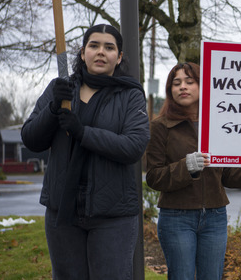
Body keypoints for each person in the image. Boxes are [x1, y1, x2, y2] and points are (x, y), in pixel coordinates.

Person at [21, 24, 150, 280]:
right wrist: (53, 109)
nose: (101, 52)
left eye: (109, 47)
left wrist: (83, 133)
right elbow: (31, 140)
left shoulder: (130, 95)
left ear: (119, 57)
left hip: (113, 215)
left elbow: (133, 147)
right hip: (63, 212)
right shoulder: (60, 89)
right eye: (94, 45)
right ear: (82, 53)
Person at [145, 62, 241, 280]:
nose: (183, 87)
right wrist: (186, 167)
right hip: (176, 217)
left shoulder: (219, 123)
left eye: (190, 82)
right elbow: (154, 177)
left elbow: (227, 174)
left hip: (215, 216)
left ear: (202, 86)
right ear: (169, 90)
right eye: (176, 83)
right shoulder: (160, 126)